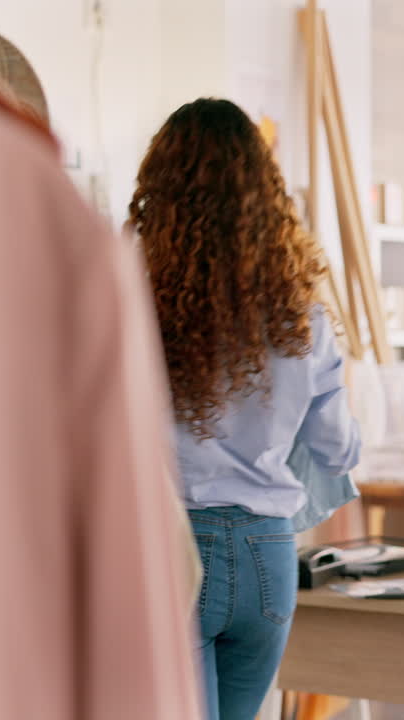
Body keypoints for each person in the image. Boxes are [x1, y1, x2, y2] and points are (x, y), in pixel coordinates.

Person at [127, 98, 362, 720]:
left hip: (168, 545)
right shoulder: (301, 314)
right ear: (265, 195)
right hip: (268, 554)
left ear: (160, 189)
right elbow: (338, 449)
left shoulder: (127, 298)